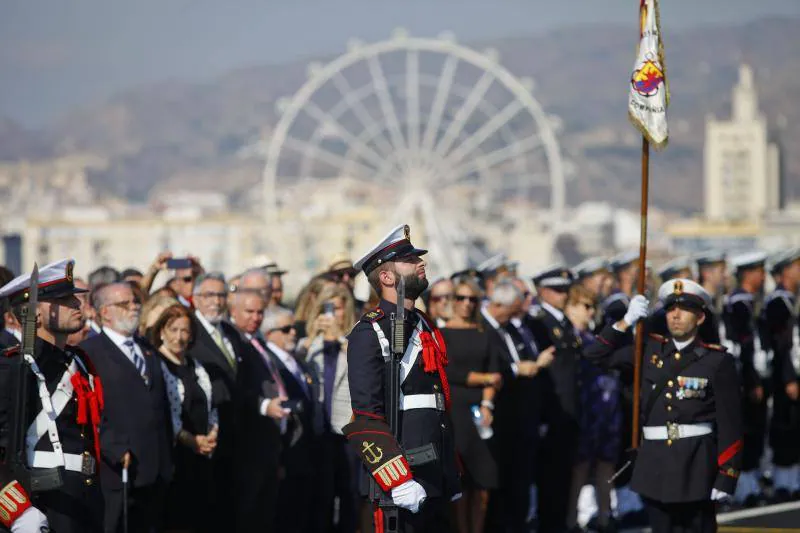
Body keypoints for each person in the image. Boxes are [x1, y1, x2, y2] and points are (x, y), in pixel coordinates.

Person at [586, 279, 743, 533]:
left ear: (700, 317)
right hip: (655, 464)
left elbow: (730, 424)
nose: (676, 316)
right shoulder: (647, 350)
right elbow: (594, 355)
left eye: (684, 310)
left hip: (696, 465)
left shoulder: (717, 360)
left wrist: (727, 475)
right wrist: (624, 322)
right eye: (670, 310)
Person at [344, 224, 460, 533]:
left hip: (434, 470)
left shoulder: (423, 325)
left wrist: (449, 468)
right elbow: (365, 416)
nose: (421, 263)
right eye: (410, 260)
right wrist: (398, 480)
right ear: (386, 277)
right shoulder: (370, 332)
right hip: (400, 478)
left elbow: (439, 402)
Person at [0, 259, 104, 533]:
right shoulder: (12, 367)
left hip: (82, 502)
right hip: (39, 506)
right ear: (36, 314)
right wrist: (16, 511)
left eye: (75, 298)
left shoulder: (78, 362)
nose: (77, 305)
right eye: (64, 300)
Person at [80, 282, 173, 533]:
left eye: (135, 302)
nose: (134, 307)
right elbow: (90, 411)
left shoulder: (147, 349)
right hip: (117, 471)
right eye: (125, 304)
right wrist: (114, 447)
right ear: (104, 312)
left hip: (154, 471)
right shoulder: (89, 352)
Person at [441, 278, 501, 533]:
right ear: (453, 301)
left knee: (483, 482)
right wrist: (482, 378)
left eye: (472, 299)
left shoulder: (484, 333)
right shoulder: (442, 334)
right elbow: (449, 371)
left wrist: (488, 403)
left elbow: (495, 372)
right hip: (455, 411)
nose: (467, 304)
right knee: (461, 482)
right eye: (461, 298)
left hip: (480, 413)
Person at [151, 304, 218, 533]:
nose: (179, 337)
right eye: (174, 330)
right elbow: (166, 413)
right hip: (176, 456)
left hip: (201, 455)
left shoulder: (194, 365)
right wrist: (192, 441)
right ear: (162, 331)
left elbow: (210, 403)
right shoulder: (157, 364)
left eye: (185, 331)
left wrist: (212, 434)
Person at [724, 252, 768, 507]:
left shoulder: (748, 302)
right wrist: (752, 381)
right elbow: (745, 346)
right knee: (747, 432)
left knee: (754, 432)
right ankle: (744, 486)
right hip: (744, 378)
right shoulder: (740, 304)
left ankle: (751, 482)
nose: (762, 276)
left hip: (750, 376)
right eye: (758, 271)